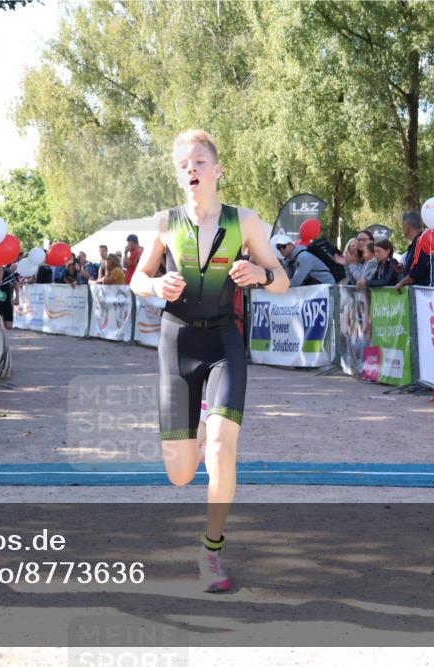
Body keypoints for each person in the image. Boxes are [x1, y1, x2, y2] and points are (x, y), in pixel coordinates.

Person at [130, 129, 289, 592]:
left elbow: (281, 279)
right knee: (180, 474)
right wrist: (157, 285)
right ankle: (196, 431)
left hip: (224, 342)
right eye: (184, 165)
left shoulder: (246, 222)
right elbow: (139, 279)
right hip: (177, 343)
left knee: (222, 449)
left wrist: (259, 273)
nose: (192, 170)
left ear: (217, 170)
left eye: (199, 162)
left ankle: (211, 551)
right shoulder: (165, 222)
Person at [394, 211, 431, 292]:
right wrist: (404, 269)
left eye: (402, 225)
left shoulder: (420, 240)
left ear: (407, 227)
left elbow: (417, 270)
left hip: (421, 293)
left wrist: (401, 283)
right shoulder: (418, 241)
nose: (401, 228)